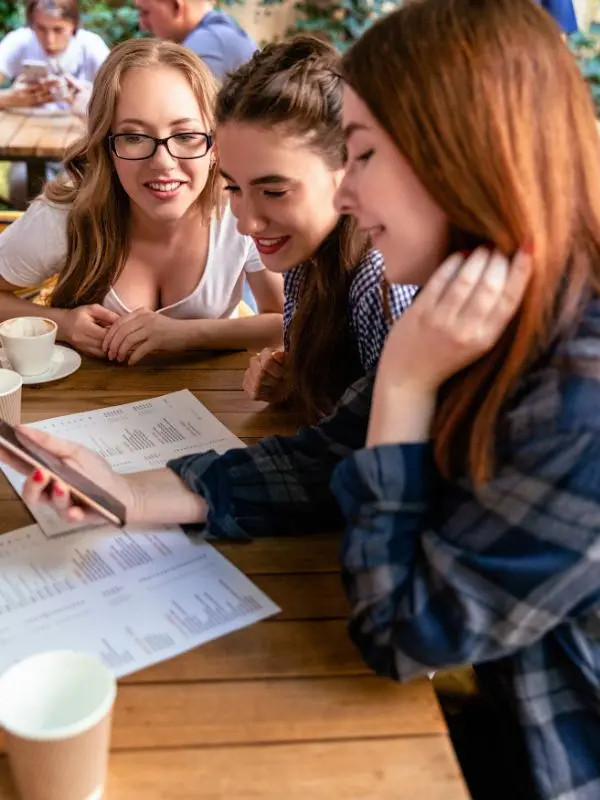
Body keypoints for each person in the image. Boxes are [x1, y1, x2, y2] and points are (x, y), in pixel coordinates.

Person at [6, 1, 598, 796]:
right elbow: (328, 450)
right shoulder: (481, 300)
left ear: (460, 155)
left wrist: (407, 388)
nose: (345, 195)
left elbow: (401, 633)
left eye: (360, 156)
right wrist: (126, 493)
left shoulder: (578, 392)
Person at [0, 38, 283, 363]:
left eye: (186, 136)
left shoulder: (240, 210)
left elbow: (283, 321)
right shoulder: (67, 214)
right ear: (107, 147)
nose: (162, 162)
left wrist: (183, 334)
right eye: (133, 137)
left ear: (215, 146)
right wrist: (63, 324)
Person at [215, 37, 416, 422]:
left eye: (274, 191)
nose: (245, 223)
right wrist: (293, 381)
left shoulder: (381, 281)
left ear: (350, 167)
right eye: (233, 188)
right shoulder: (308, 253)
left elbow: (401, 457)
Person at [0, 0, 108, 113]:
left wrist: (86, 99)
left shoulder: (91, 45)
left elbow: (119, 97)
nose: (49, 40)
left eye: (58, 30)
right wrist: (9, 98)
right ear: (31, 24)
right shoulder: (19, 41)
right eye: (41, 28)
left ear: (74, 26)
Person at [135, 0, 257, 82]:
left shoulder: (205, 45)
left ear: (176, 6)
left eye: (145, 12)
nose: (142, 25)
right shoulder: (220, 35)